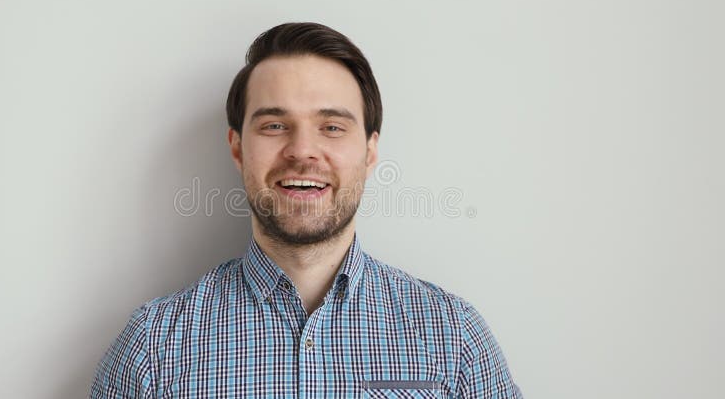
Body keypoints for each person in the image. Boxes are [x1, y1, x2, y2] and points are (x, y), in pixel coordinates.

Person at [91, 22, 523, 398]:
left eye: (332, 127)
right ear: (238, 148)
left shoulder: (453, 336)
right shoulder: (153, 348)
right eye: (275, 125)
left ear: (370, 151)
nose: (302, 151)